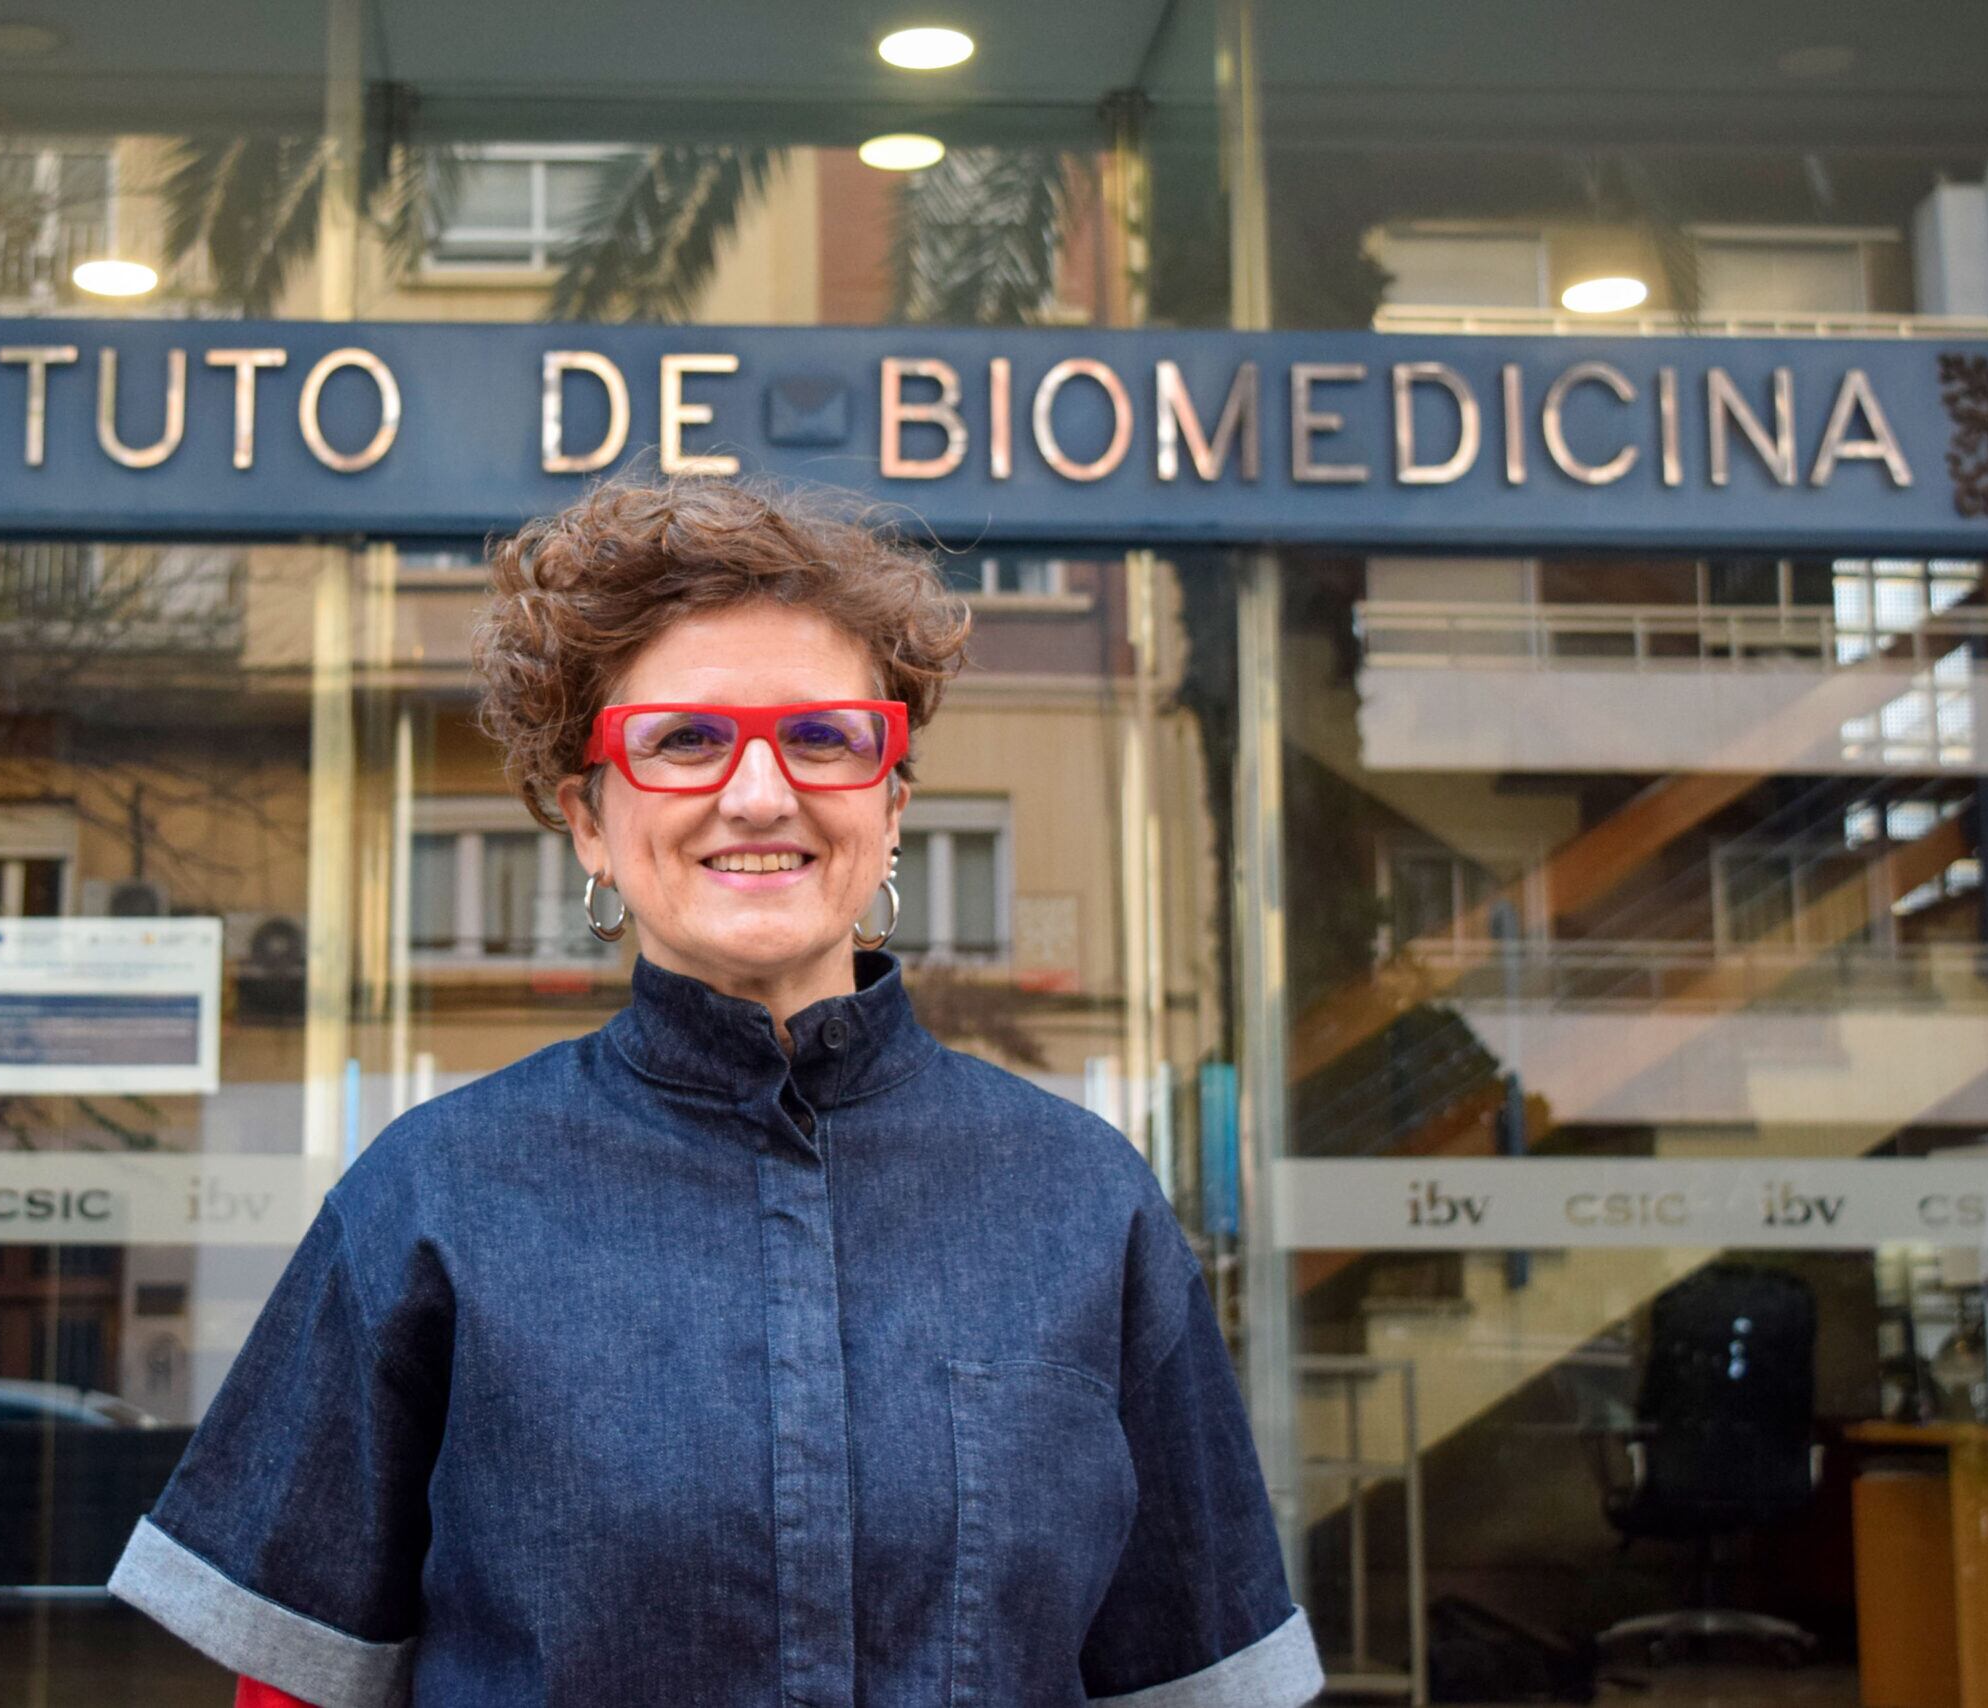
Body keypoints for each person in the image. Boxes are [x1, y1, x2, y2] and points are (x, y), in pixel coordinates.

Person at [107, 476, 1321, 1708]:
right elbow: (297, 1692)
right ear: (589, 818)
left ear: (891, 805)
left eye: (823, 736)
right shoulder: (431, 1198)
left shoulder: (1081, 1197)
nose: (757, 793)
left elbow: (1196, 1683)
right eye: (684, 739)